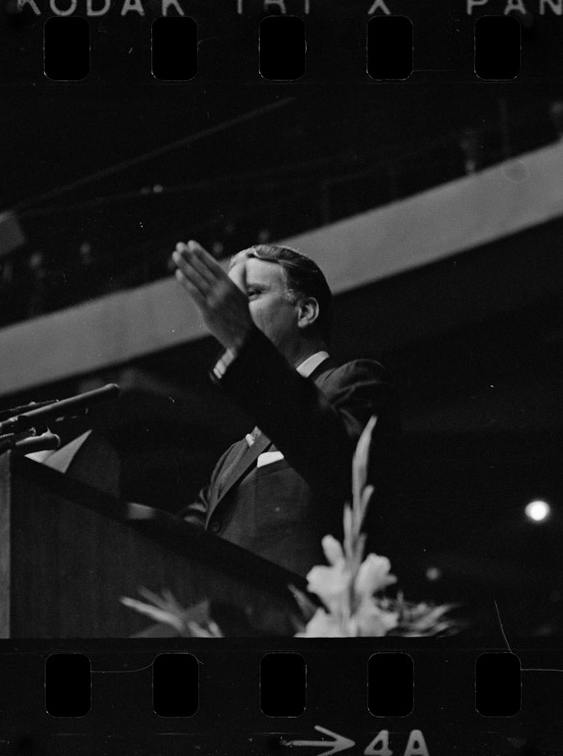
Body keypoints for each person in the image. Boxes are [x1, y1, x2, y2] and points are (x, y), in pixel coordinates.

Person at [171, 240, 399, 577]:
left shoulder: (355, 382)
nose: (234, 309)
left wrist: (245, 342)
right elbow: (173, 538)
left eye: (250, 295)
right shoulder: (230, 459)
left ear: (305, 311)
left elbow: (338, 461)